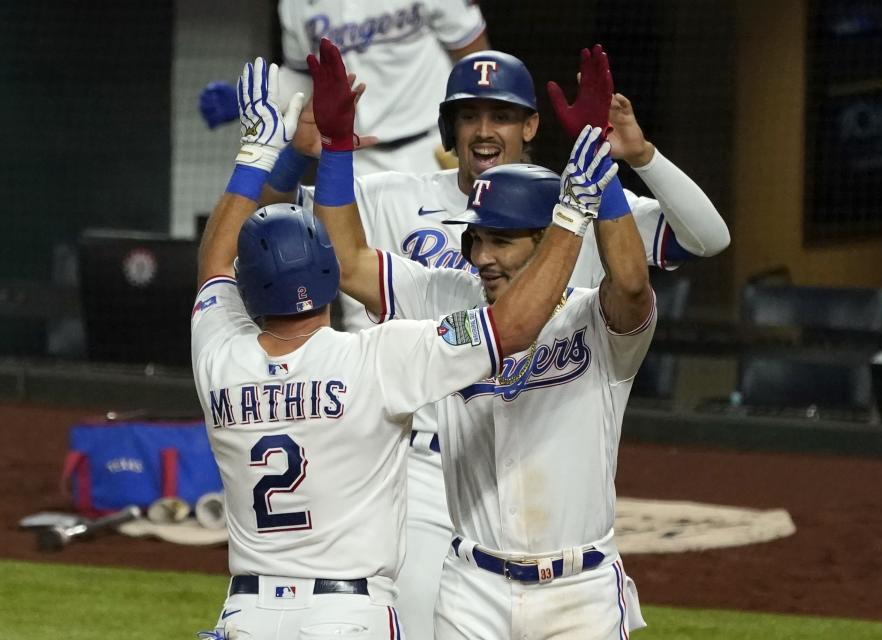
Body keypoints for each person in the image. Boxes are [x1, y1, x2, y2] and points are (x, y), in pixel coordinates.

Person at [267, 42, 730, 640]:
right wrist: (329, 149)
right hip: (447, 506)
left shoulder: (592, 307)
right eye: (474, 240)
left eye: (501, 242)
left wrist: (615, 162)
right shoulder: (443, 290)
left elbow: (653, 274)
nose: (482, 257)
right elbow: (340, 255)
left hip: (576, 571)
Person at [191, 54, 618, 639]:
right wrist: (575, 211)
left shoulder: (217, 354)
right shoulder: (376, 360)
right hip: (347, 616)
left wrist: (261, 154)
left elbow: (214, 264)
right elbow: (512, 328)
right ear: (325, 276)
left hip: (248, 612)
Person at [200, 0, 489, 176]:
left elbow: (476, 60)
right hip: (353, 160)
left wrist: (474, 139)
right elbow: (305, 77)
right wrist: (255, 96)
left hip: (435, 149)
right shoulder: (296, 4)